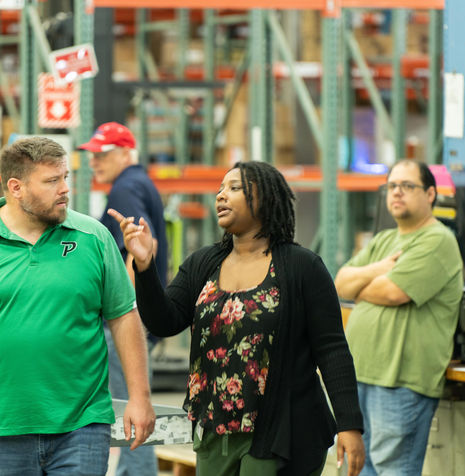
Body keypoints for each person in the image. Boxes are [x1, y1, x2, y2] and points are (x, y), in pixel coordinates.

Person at [109, 161, 365, 476]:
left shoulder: (302, 267)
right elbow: (165, 321)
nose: (221, 195)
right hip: (214, 431)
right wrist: (145, 266)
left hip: (283, 433)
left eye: (234, 188)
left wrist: (349, 425)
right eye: (220, 189)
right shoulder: (204, 263)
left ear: (265, 198)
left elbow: (332, 349)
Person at [0, 136, 156, 475]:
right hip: (6, 425)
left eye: (65, 177)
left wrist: (140, 397)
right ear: (16, 187)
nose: (64, 189)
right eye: (51, 181)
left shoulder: (92, 237)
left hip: (81, 426)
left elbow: (124, 315)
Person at [335, 159, 464, 476]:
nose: (396, 192)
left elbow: (394, 292)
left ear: (430, 194)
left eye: (407, 186)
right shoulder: (383, 241)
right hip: (360, 376)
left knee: (393, 470)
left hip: (399, 384)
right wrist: (379, 270)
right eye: (392, 186)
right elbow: (339, 283)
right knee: (358, 470)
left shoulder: (437, 240)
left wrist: (360, 285)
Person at [79, 121, 167, 475]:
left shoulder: (125, 188)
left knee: (131, 411)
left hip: (125, 320)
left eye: (103, 155)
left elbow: (143, 245)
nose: (94, 163)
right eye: (92, 156)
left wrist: (126, 312)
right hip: (138, 315)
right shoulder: (139, 182)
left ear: (126, 154)